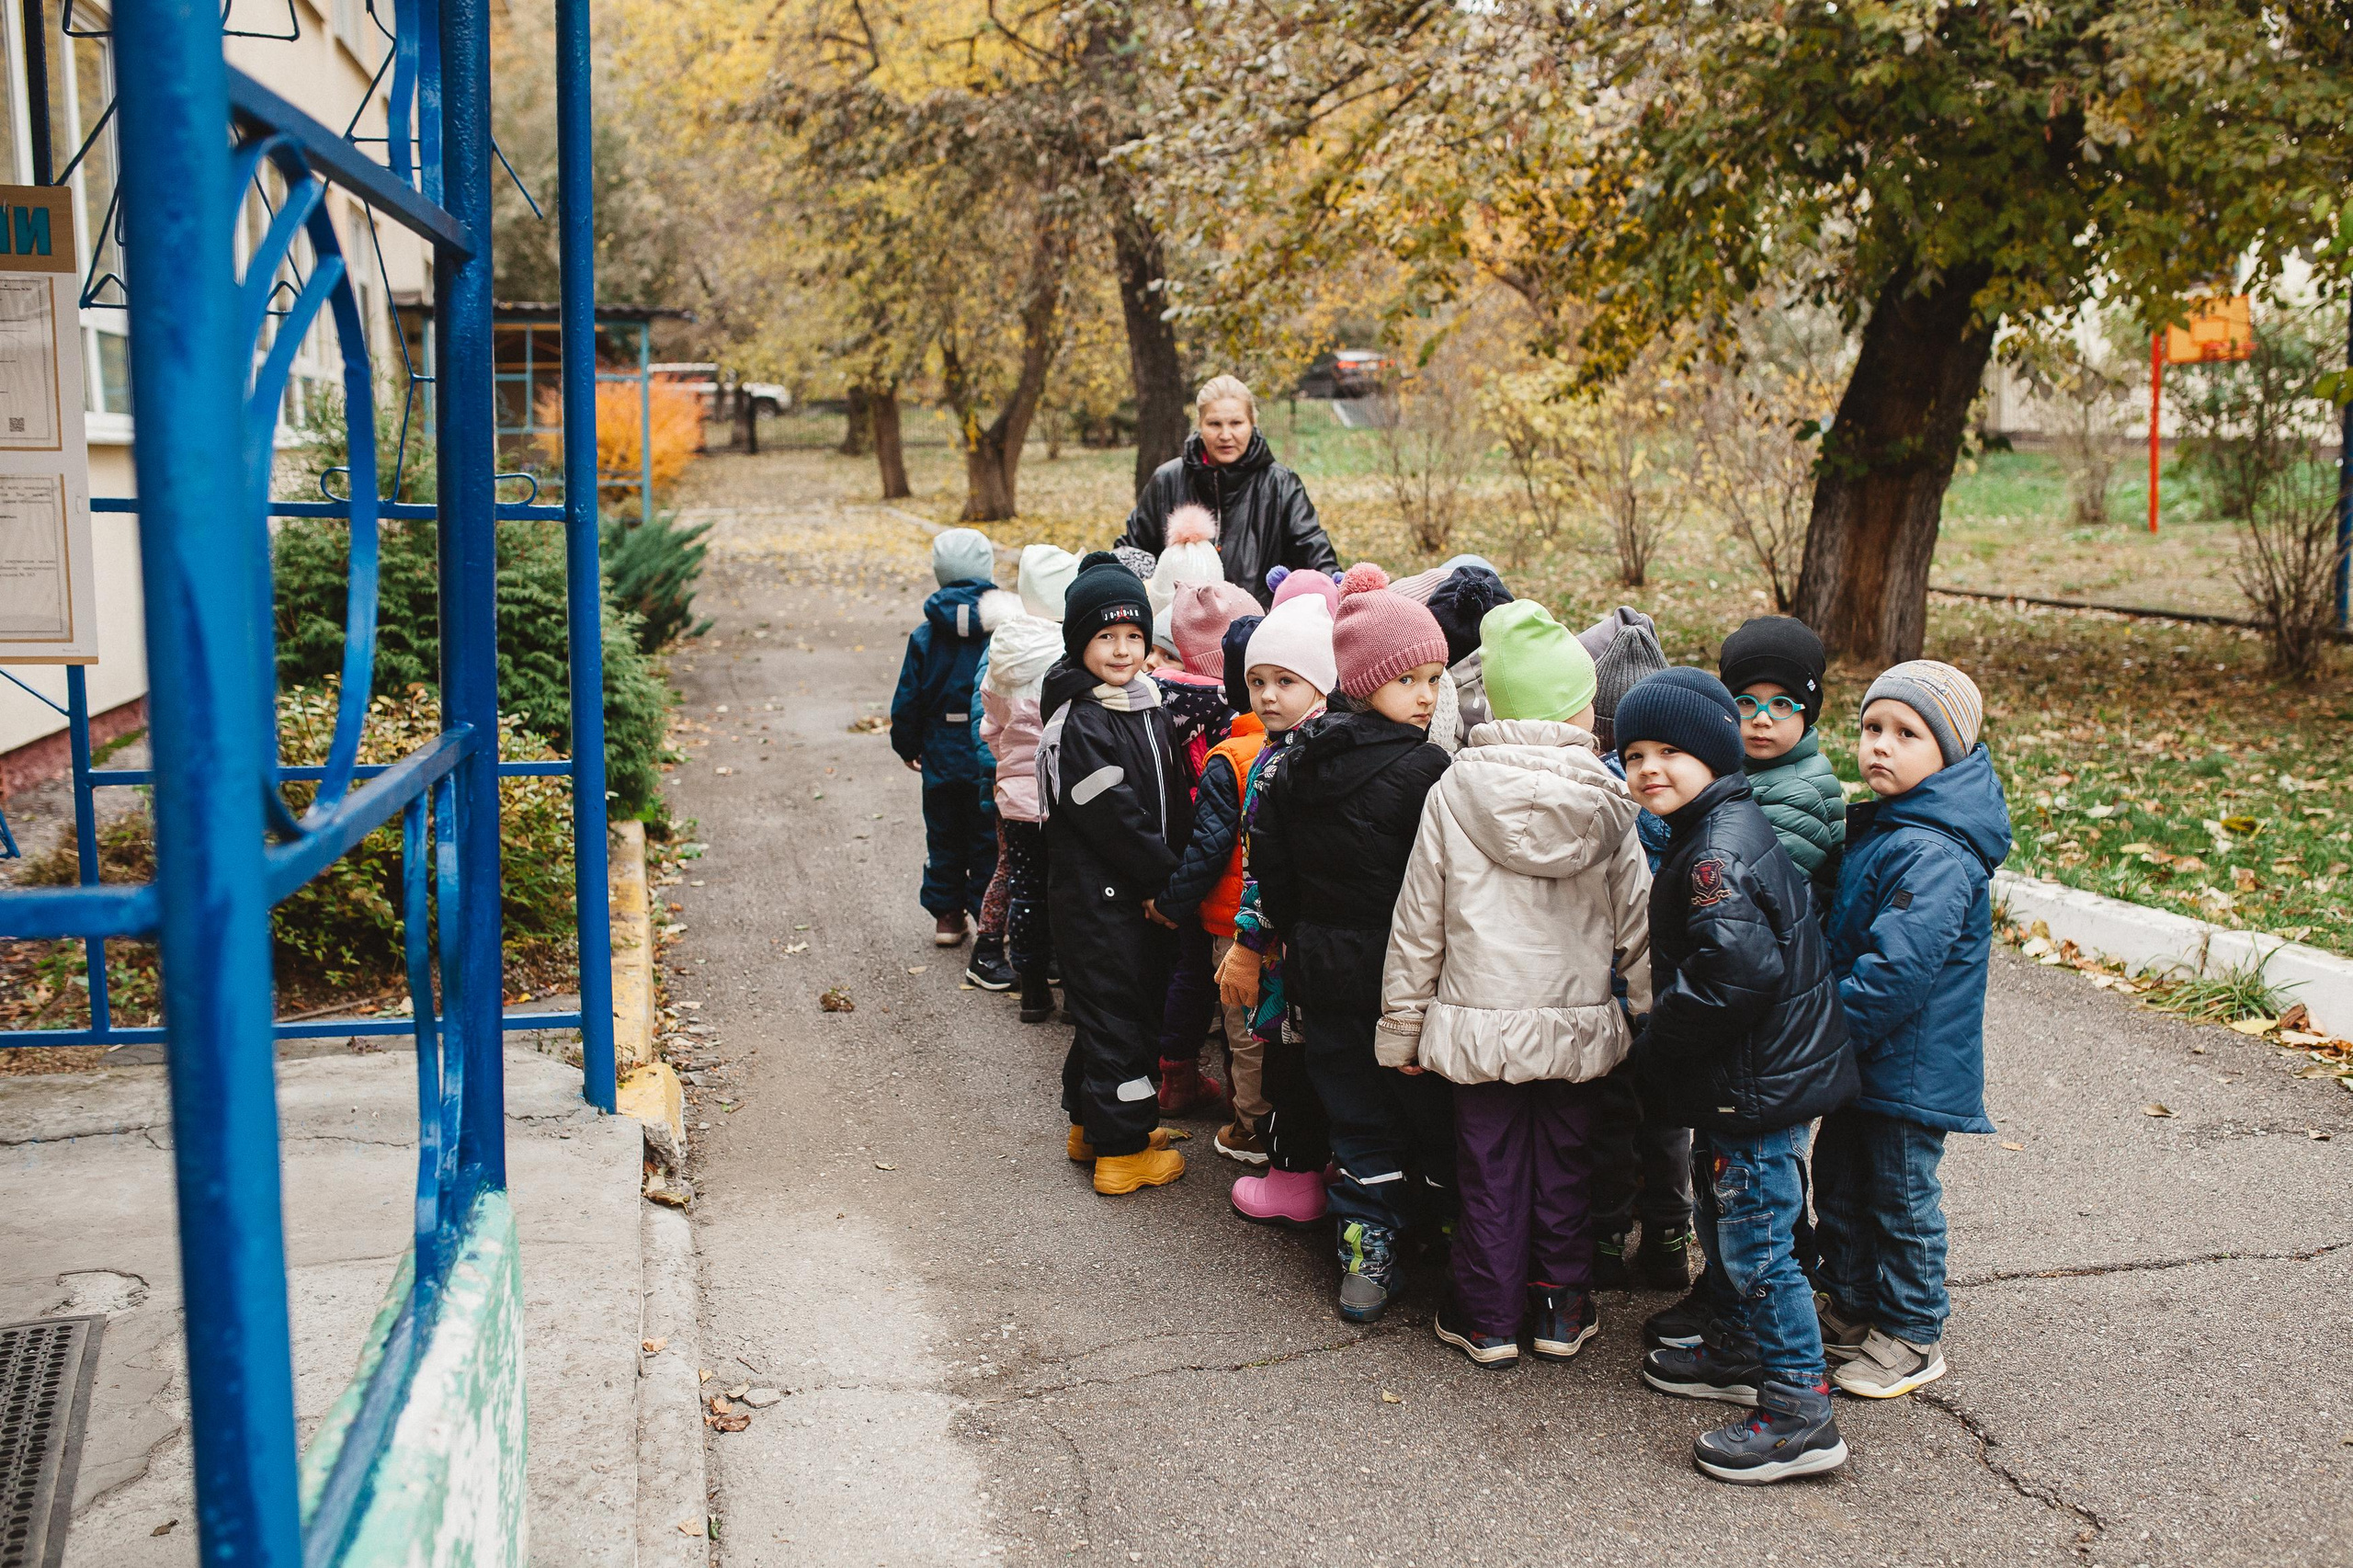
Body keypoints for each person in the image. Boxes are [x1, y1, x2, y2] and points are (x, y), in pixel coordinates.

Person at [1379, 600, 1652, 1369]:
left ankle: (1488, 1315)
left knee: (1488, 1172)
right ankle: (1560, 1311)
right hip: (1578, 1027)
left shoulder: (1454, 791)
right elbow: (1639, 917)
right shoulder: (1610, 799)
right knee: (1567, 1166)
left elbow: (1419, 921)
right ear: (1579, 709)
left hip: (1480, 1027)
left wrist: (1402, 1026)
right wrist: (1653, 1011)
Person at [1618, 667, 1857, 1485]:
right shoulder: (1720, 825)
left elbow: (1735, 975)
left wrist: (1657, 1045)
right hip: (1752, 1081)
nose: (1650, 767)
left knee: (1758, 1244)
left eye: (1672, 751)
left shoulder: (1715, 853)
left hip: (1754, 1085)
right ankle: (1739, 1345)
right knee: (1739, 1222)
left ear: (1716, 756)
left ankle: (1798, 1412)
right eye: (1635, 753)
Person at [1251, 564, 1455, 1324]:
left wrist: (1295, 933)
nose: (1429, 695)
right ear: (1367, 682)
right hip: (1403, 975)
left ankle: (1366, 1253)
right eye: (1411, 680)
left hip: (1323, 969)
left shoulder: (1298, 761)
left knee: (1354, 1111)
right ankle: (1424, 1232)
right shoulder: (1426, 768)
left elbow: (1272, 864)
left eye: (1436, 677)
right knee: (1418, 1106)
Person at [1815, 661, 2011, 1401]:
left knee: (1899, 1197)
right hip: (1868, 1058)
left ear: (1950, 752)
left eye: (1907, 733)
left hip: (1907, 1065)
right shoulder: (1894, 825)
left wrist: (1824, 1034)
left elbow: (1896, 971)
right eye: (1871, 729)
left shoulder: (1933, 850)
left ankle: (1914, 1329)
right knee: (1841, 1183)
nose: (1880, 747)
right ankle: (1857, 1303)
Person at [1036, 553, 1194, 1196]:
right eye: (1106, 637)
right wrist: (1164, 880)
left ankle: (1091, 1124)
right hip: (1099, 901)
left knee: (1111, 1015)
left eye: (1134, 636)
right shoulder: (1082, 719)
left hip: (1133, 895)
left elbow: (1170, 794)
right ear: (1080, 643)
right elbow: (1114, 817)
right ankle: (1124, 1152)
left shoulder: (1142, 704)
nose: (1123, 649)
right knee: (1119, 1021)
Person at [1574, 606, 1690, 1297]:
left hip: (1609, 990)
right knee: (1668, 1124)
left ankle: (1609, 1237)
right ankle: (1671, 1236)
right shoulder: (1683, 798)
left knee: (1612, 1123)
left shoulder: (1601, 795)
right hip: (1670, 994)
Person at [1216, 595, 1337, 1225]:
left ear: (1323, 681)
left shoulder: (1286, 763)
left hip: (1292, 941)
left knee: (1292, 1054)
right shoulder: (1289, 745)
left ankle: (1293, 1176)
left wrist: (1246, 938)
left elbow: (1269, 866)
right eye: (1257, 681)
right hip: (1317, 935)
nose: (1267, 694)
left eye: (1285, 681)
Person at [1154, 583, 1266, 1133]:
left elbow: (1207, 839)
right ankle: (1257, 1121)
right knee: (1257, 1023)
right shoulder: (1256, 743)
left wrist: (1173, 900)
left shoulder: (1157, 702)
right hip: (1249, 906)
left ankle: (1199, 1093)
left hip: (1207, 899)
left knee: (1218, 1002)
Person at [1119, 375, 1338, 607]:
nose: (1225, 435)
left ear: (1252, 423)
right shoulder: (1167, 480)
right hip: (1175, 632)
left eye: (1236, 423)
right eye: (1214, 424)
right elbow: (1132, 554)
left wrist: (1344, 593)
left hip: (1256, 629)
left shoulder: (1281, 485)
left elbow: (1315, 556)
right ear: (1200, 425)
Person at [892, 528, 1012, 946]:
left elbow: (908, 697)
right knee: (984, 837)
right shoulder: (1001, 630)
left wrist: (907, 744)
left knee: (943, 834)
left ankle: (947, 916)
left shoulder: (925, 636)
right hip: (986, 749)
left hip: (940, 750)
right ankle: (987, 918)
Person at [979, 548, 1075, 1021]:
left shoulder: (1006, 651)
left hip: (1015, 800)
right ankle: (1077, 994)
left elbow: (991, 726)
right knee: (1072, 893)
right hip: (1065, 799)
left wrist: (1009, 769)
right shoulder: (1072, 653)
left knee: (1028, 891)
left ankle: (1034, 990)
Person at [1719, 616, 1847, 908]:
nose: (1762, 719)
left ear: (1808, 712)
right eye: (1746, 702)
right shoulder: (1742, 767)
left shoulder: (1798, 793)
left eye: (1781, 704)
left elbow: (1758, 891)